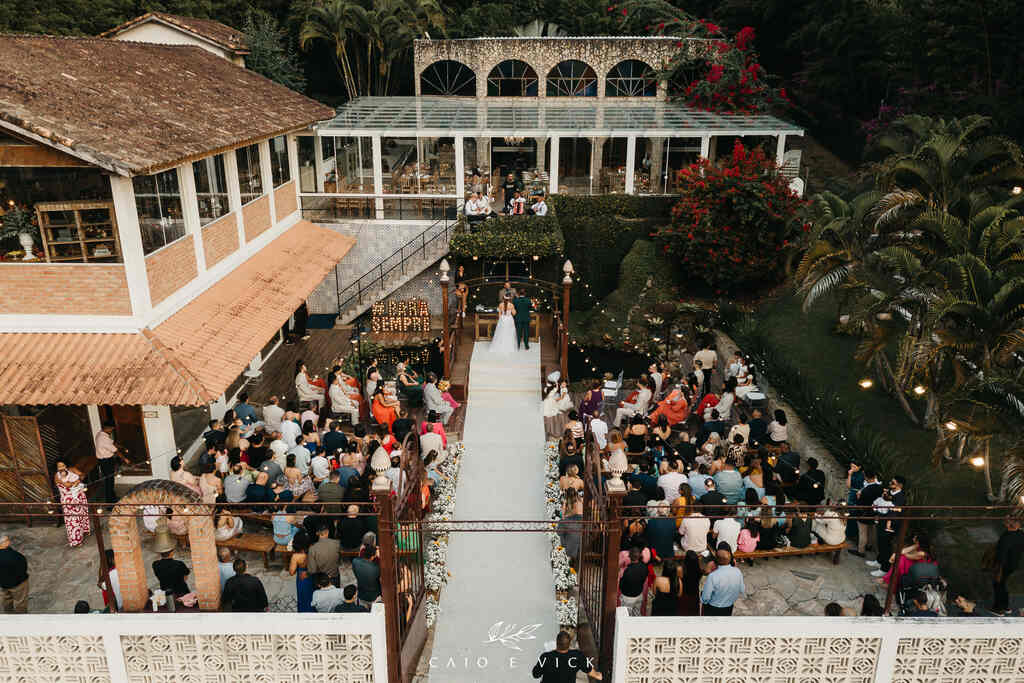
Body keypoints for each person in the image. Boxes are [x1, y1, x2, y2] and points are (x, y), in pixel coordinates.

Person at [532, 630, 602, 681]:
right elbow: (591, 672)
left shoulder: (545, 657)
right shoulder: (577, 655)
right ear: (569, 644)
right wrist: (598, 675)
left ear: (556, 643)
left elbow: (535, 675)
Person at [992, 517, 1024, 615]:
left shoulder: (1007, 537)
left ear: (1008, 525)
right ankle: (1005, 606)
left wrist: (998, 568)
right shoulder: (1020, 534)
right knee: (1003, 584)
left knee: (998, 585)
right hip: (1014, 564)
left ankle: (1000, 608)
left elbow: (1002, 553)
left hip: (1004, 565)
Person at [54, 461, 90, 547]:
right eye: (59, 466)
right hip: (69, 500)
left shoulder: (72, 469)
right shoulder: (57, 476)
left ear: (66, 465)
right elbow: (67, 485)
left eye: (63, 465)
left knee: (82, 515)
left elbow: (82, 475)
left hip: (79, 496)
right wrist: (76, 481)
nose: (61, 468)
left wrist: (79, 479)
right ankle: (76, 541)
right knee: (73, 520)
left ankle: (84, 532)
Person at [850, 469, 883, 558]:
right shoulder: (880, 487)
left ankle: (861, 550)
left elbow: (860, 502)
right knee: (871, 530)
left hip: (864, 512)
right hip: (874, 512)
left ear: (866, 478)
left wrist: (858, 496)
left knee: (863, 532)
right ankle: (869, 545)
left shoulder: (866, 490)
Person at [701, 547, 744, 615]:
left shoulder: (712, 576)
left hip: (714, 608)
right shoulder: (738, 571)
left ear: (717, 560)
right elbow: (742, 589)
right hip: (729, 606)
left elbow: (705, 598)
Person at [93, 422, 127, 505]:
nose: (112, 431)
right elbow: (115, 450)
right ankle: (109, 503)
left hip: (105, 461)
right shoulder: (103, 438)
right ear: (107, 428)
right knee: (109, 481)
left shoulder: (101, 434)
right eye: (111, 429)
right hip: (106, 461)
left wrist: (122, 447)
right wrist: (125, 459)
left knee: (110, 480)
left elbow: (112, 444)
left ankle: (113, 498)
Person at [0, 536, 28, 614]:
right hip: (18, 584)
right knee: (21, 602)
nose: (9, 541)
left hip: (3, 584)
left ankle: (9, 616)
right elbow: (23, 567)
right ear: (5, 543)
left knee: (6, 601)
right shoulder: (16, 556)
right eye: (7, 540)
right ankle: (21, 619)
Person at [618, 546, 647, 615]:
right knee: (637, 614)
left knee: (626, 615)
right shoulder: (644, 567)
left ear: (630, 557)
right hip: (639, 594)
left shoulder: (628, 571)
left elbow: (621, 585)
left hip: (628, 597)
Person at [352, 541, 382, 607]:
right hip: (374, 597)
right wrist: (380, 558)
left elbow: (357, 561)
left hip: (361, 595)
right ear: (373, 557)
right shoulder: (376, 568)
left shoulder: (355, 562)